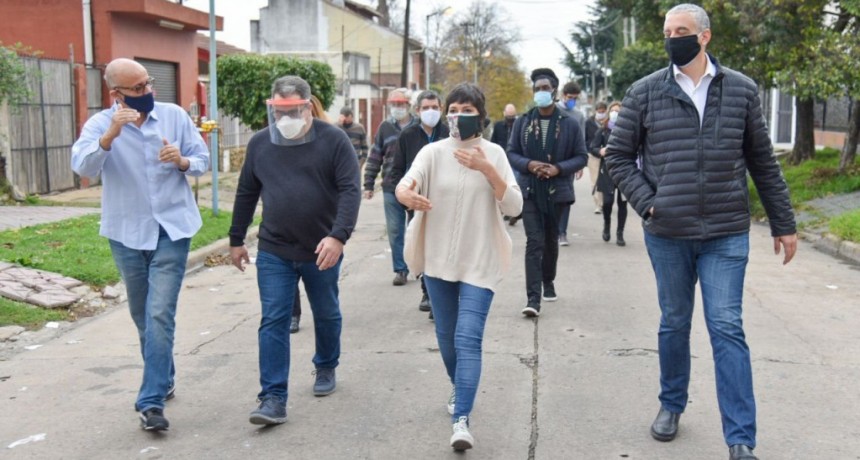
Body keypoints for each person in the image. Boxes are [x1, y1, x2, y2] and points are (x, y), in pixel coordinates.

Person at [604, 5, 798, 460]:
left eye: (682, 31)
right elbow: (617, 156)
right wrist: (649, 202)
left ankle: (741, 438)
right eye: (668, 32)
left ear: (704, 36)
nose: (673, 38)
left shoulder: (741, 89)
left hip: (725, 232)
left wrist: (784, 223)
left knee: (727, 326)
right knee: (674, 321)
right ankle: (672, 404)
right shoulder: (645, 91)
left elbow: (762, 160)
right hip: (668, 232)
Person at [71, 58, 210, 432]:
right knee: (142, 315)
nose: (148, 91)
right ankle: (164, 375)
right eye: (138, 88)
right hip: (127, 233)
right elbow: (83, 167)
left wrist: (182, 160)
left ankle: (151, 402)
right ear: (116, 94)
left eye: (148, 83)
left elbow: (202, 159)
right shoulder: (100, 125)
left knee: (159, 313)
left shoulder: (174, 116)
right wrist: (110, 136)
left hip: (172, 229)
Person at [395, 83, 522, 451]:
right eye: (453, 109)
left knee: (468, 338)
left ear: (480, 116)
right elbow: (405, 185)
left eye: (467, 110)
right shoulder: (432, 152)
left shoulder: (494, 153)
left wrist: (488, 171)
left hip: (480, 260)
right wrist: (406, 195)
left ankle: (461, 419)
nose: (457, 116)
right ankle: (459, 386)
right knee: (447, 339)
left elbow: (514, 206)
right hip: (438, 261)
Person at [229, 75, 361, 426]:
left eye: (292, 111)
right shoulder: (260, 143)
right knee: (274, 318)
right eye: (279, 111)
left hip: (321, 248)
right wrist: (236, 238)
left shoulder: (334, 140)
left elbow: (350, 190)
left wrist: (338, 236)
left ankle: (326, 364)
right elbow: (246, 192)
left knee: (326, 312)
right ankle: (273, 397)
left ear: (307, 106)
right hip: (275, 248)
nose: (285, 118)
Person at [507, 68, 588, 317]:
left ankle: (548, 280)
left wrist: (558, 169)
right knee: (534, 241)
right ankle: (533, 298)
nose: (541, 92)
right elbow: (512, 152)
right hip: (530, 190)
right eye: (537, 89)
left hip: (557, 190)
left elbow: (581, 156)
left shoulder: (569, 124)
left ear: (554, 91)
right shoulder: (523, 122)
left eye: (545, 88)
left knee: (551, 240)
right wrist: (530, 164)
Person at [391, 90, 450, 319]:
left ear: (441, 109)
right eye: (426, 108)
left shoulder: (449, 133)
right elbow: (397, 170)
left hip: (446, 202)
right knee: (424, 248)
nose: (430, 112)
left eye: (434, 107)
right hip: (417, 203)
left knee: (444, 249)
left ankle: (441, 298)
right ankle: (428, 293)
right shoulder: (408, 135)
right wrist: (404, 199)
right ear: (417, 110)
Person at [289, 94, 333, 334]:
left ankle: (325, 321)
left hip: (320, 226)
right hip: (287, 224)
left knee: (322, 286)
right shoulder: (284, 141)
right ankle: (293, 314)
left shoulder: (330, 140)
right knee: (288, 273)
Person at [364, 89, 416, 286]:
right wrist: (369, 183)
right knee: (395, 231)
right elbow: (375, 155)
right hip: (391, 186)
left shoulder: (418, 126)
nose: (397, 108)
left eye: (400, 104)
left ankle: (419, 267)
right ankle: (401, 269)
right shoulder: (385, 128)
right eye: (394, 105)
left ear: (409, 106)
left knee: (416, 229)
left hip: (415, 187)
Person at [591, 101, 628, 246]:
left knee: (622, 203)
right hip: (607, 170)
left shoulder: (628, 128)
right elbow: (593, 147)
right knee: (607, 202)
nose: (615, 113)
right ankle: (607, 224)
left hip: (625, 170)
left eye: (618, 111)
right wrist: (600, 151)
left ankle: (620, 233)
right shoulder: (603, 130)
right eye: (613, 111)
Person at [555, 81, 587, 246]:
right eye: (570, 97)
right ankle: (551, 230)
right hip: (550, 160)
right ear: (563, 95)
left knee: (565, 197)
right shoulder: (553, 110)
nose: (572, 100)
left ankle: (562, 232)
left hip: (568, 163)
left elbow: (581, 141)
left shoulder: (578, 115)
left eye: (575, 98)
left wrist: (580, 164)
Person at [492, 104, 522, 226]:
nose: (510, 119)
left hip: (515, 160)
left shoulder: (519, 126)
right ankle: (506, 210)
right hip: (502, 159)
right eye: (508, 116)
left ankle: (514, 212)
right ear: (504, 114)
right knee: (502, 185)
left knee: (513, 185)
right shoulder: (498, 126)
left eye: (512, 116)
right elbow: (493, 141)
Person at [585, 101, 608, 214]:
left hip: (607, 156)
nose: (601, 114)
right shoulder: (589, 122)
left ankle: (605, 202)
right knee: (595, 180)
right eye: (599, 112)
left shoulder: (609, 123)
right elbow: (584, 138)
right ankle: (598, 205)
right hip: (593, 155)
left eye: (603, 112)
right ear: (595, 111)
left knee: (606, 180)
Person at [338, 106, 369, 172]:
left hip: (355, 163)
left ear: (351, 116)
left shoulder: (359, 128)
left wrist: (360, 164)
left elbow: (365, 148)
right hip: (340, 164)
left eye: (347, 116)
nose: (345, 119)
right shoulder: (336, 128)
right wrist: (339, 124)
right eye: (344, 116)